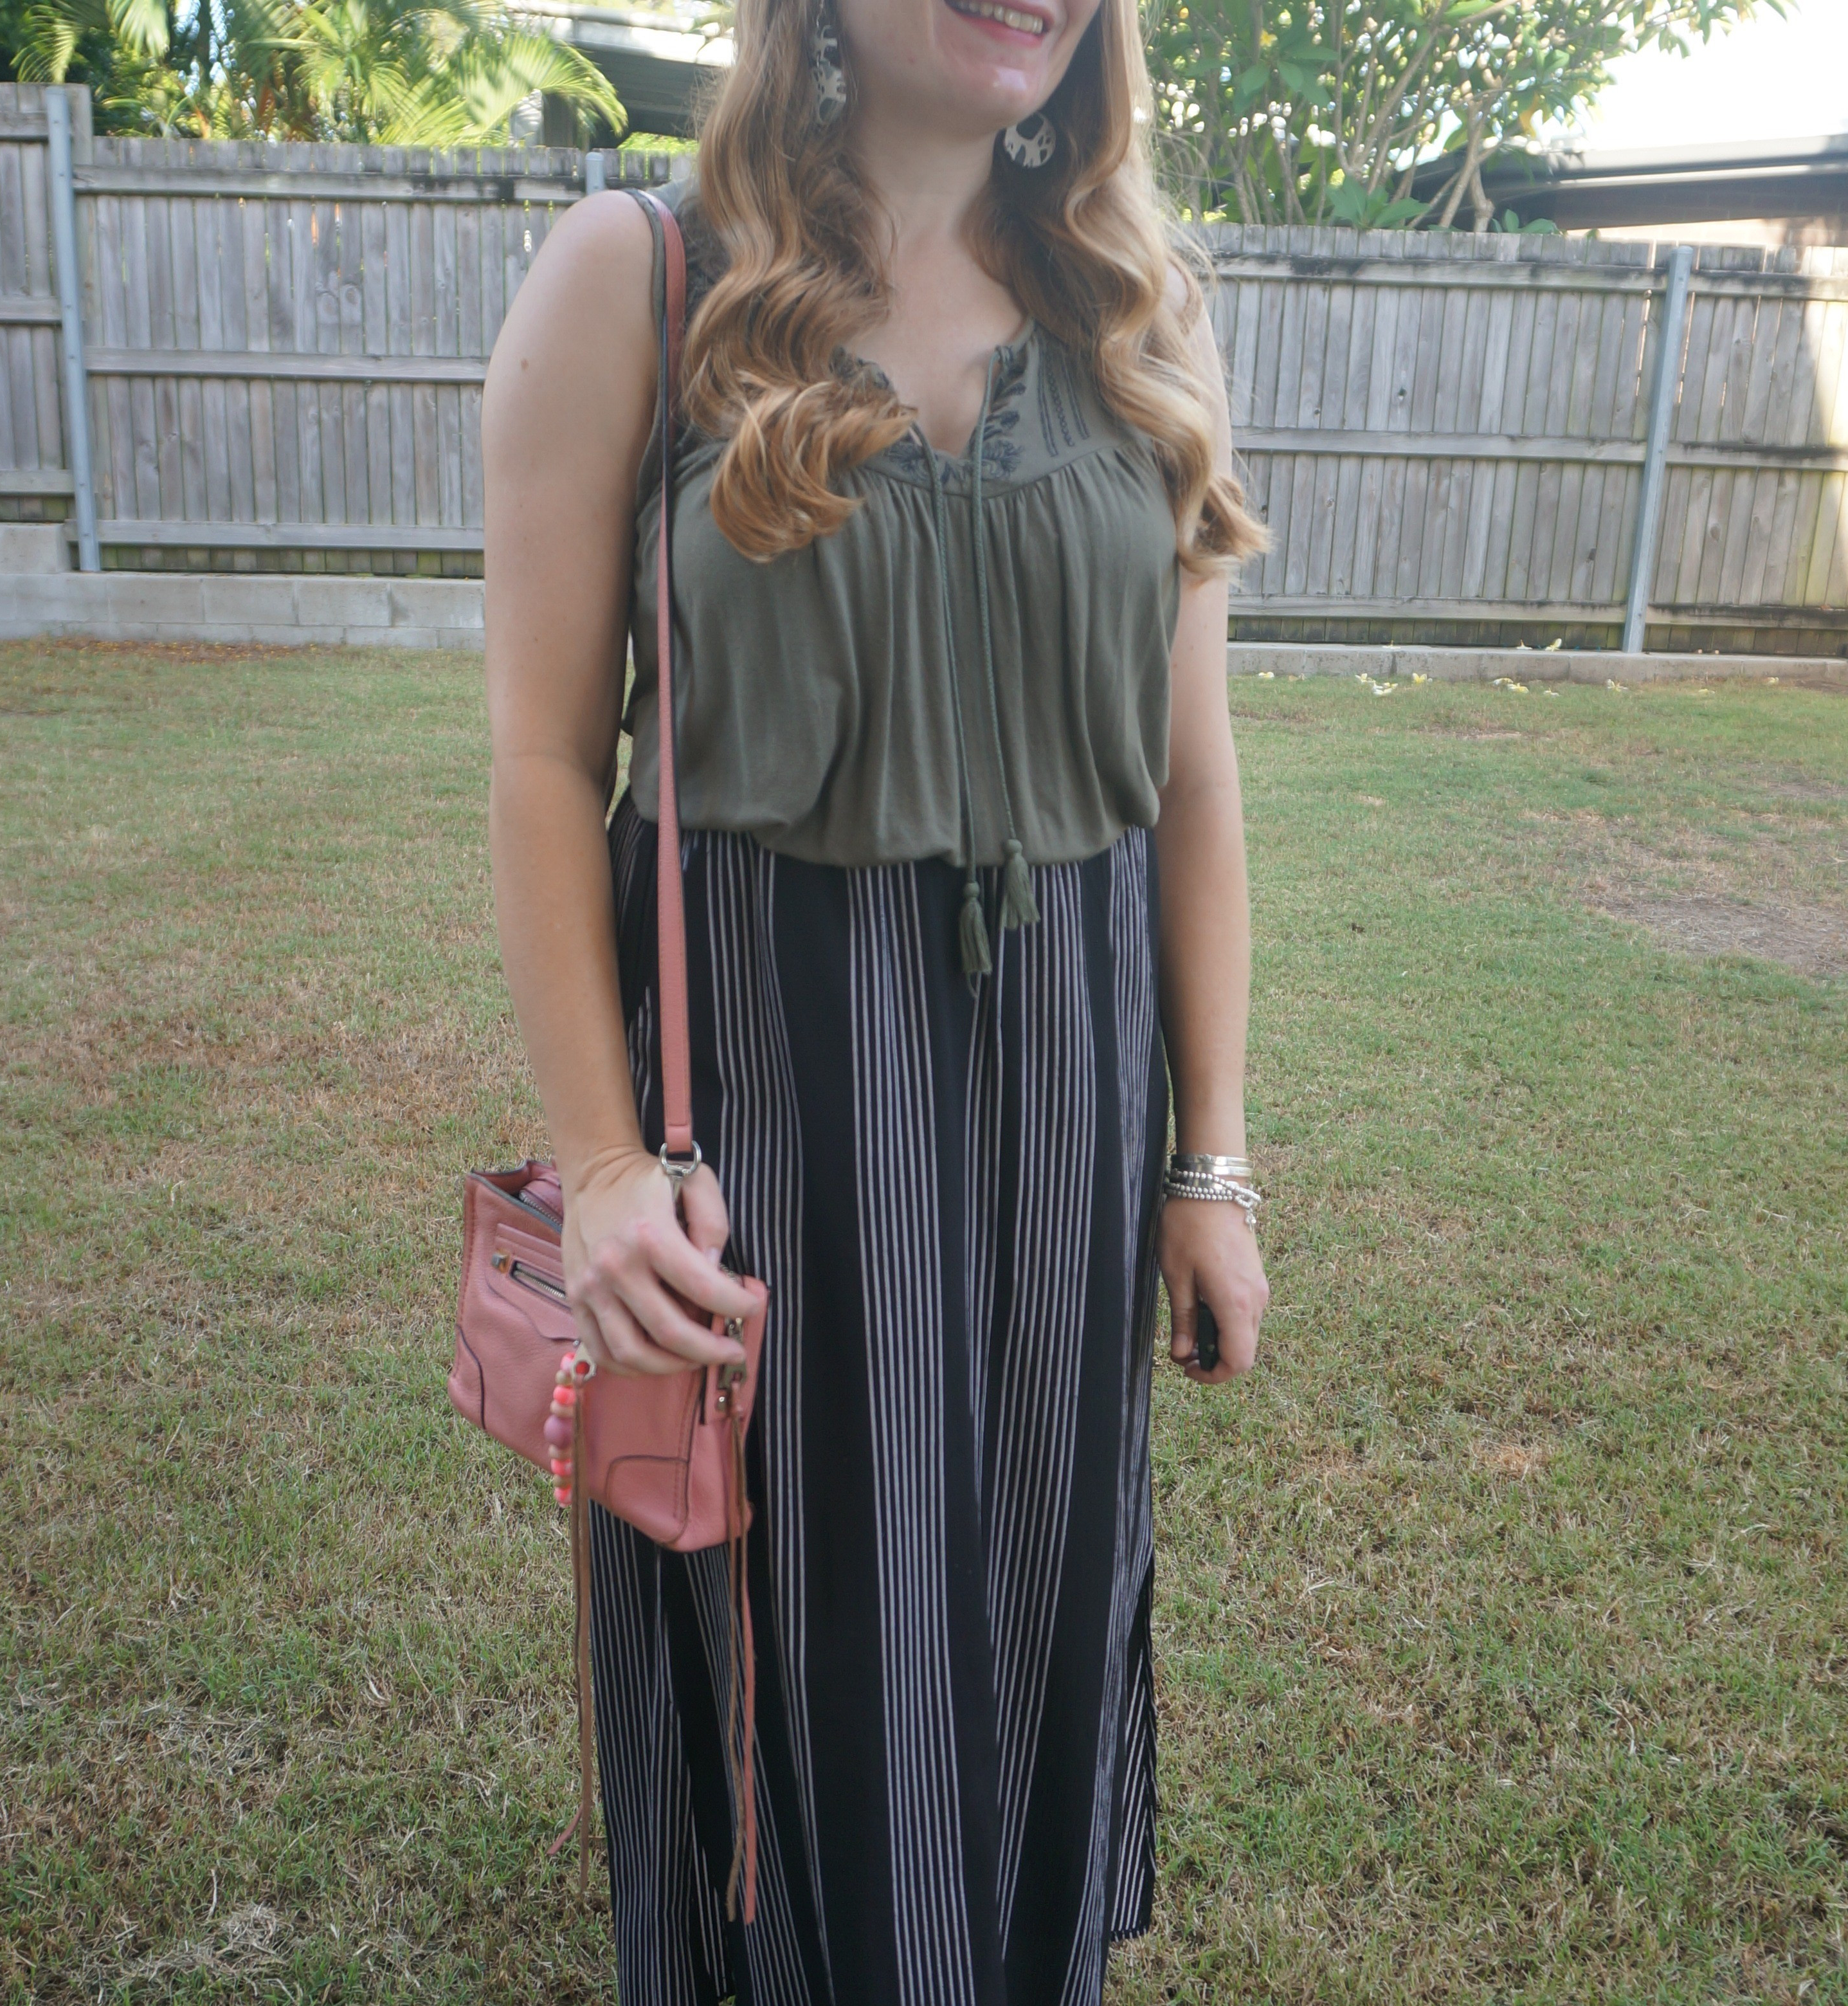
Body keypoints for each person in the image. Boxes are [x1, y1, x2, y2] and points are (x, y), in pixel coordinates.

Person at [480, 0, 1271, 1987]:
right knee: (793, 1639)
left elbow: (1191, 779)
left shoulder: (1135, 306)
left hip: (1065, 1108)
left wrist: (1212, 1164)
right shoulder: (642, 281)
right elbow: (540, 762)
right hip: (769, 1093)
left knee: (1025, 1607)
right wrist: (594, 1169)